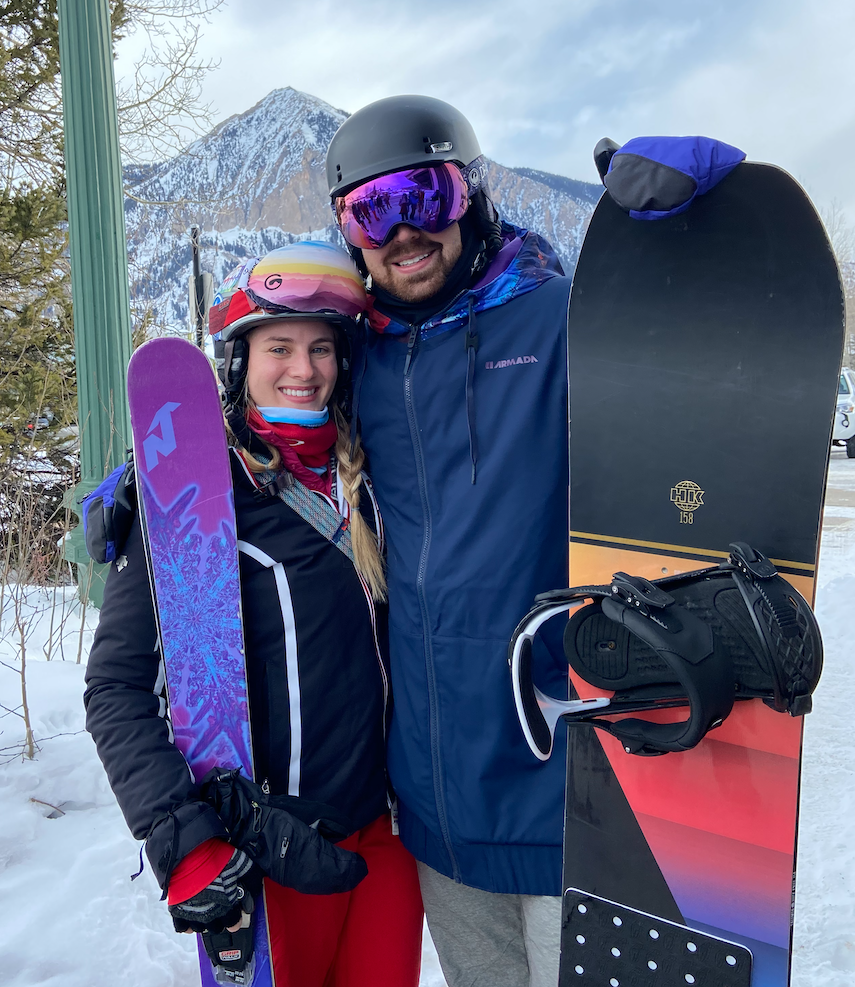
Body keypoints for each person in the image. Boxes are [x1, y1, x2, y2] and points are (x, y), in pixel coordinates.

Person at [325, 98, 741, 987]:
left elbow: (680, 365)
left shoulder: (560, 318)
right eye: (370, 210)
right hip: (436, 802)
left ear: (470, 194)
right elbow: (273, 425)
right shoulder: (358, 359)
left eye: (421, 195)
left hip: (566, 790)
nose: (401, 231)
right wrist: (171, 475)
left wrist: (692, 233)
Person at [83, 241, 424, 987]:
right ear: (239, 360)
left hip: (386, 840)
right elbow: (114, 689)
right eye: (279, 347)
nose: (303, 369)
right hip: (270, 846)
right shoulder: (190, 497)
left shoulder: (372, 485)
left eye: (321, 349)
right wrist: (186, 841)